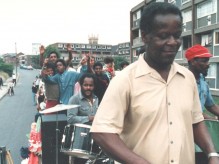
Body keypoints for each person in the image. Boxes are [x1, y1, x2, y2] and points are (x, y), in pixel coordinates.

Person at [91, 2, 219, 164]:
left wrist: (212, 153)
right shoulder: (125, 80)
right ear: (145, 36)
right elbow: (102, 132)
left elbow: (195, 121)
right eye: (163, 36)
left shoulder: (187, 78)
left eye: (177, 35)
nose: (173, 42)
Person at [185, 44, 219, 120]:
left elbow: (211, 106)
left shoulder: (203, 83)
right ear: (193, 61)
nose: (208, 64)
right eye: (204, 61)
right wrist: (213, 119)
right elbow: (189, 111)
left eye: (208, 61)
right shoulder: (182, 81)